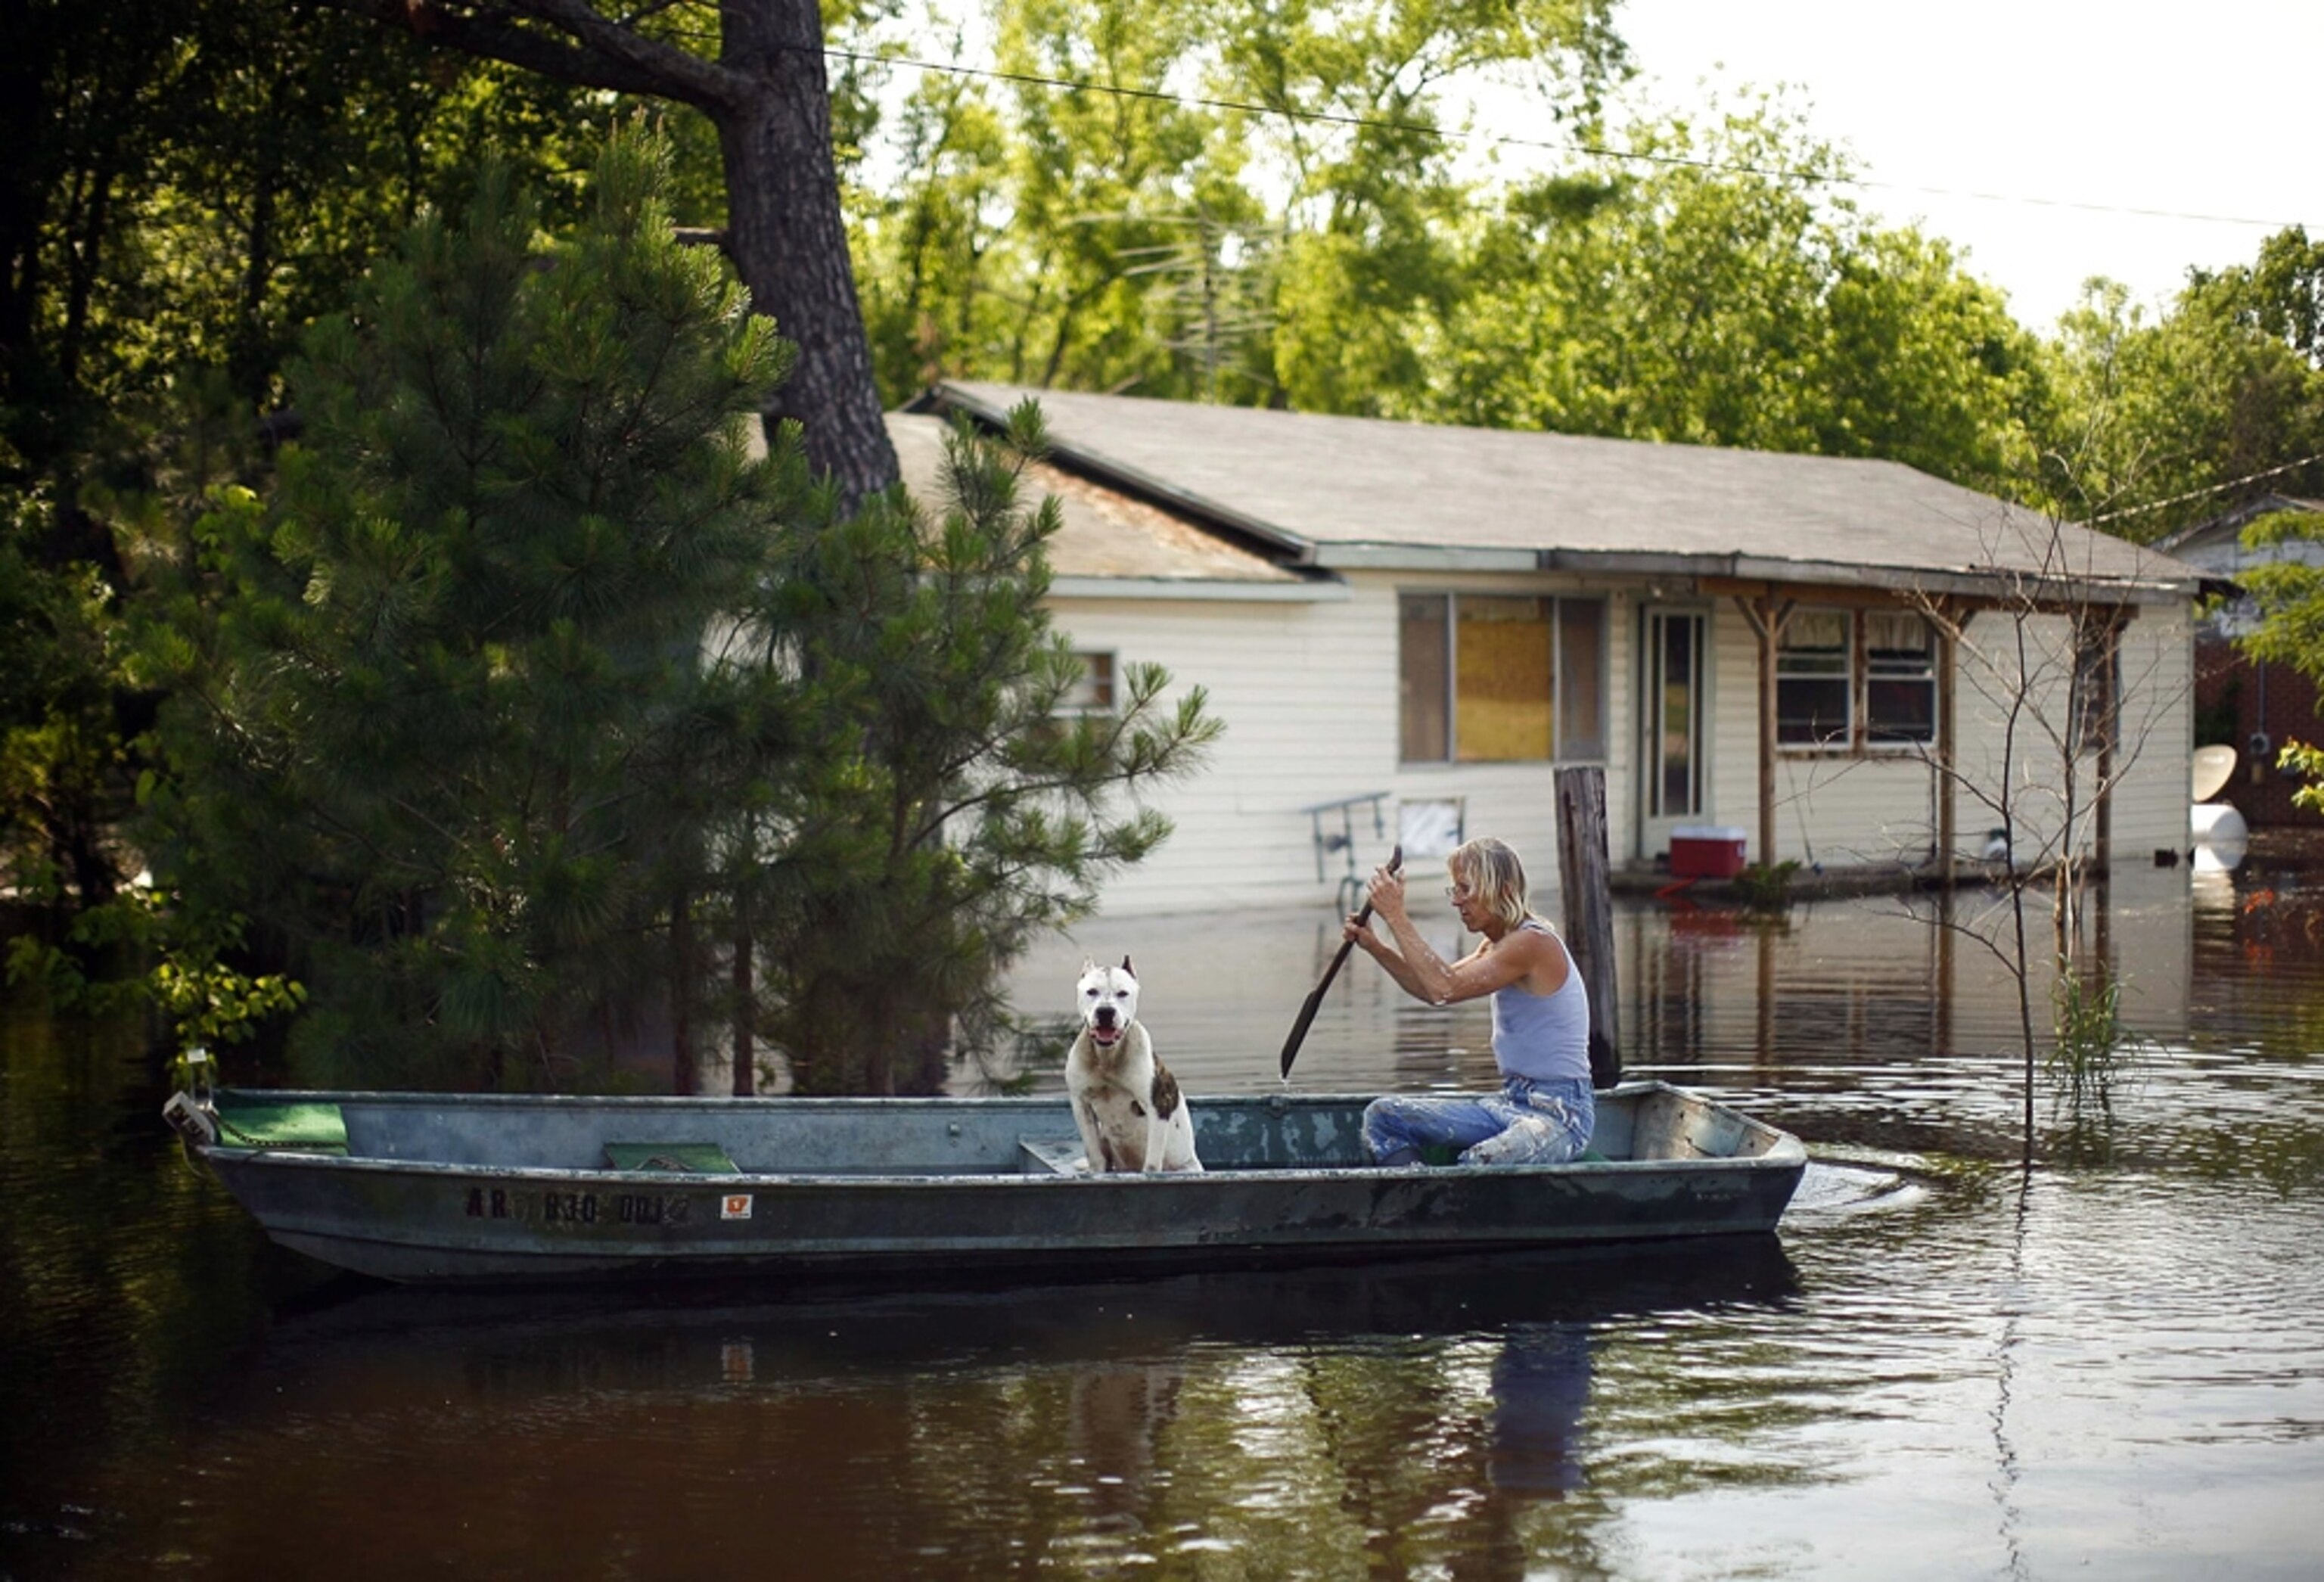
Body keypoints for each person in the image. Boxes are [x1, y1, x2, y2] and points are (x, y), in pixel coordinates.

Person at [1346, 836, 1595, 1167]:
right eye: (1454, 890)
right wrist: (1376, 947)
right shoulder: (1496, 945)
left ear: (1503, 890)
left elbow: (1443, 988)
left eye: (1465, 889)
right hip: (1511, 1101)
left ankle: (1440, 1210)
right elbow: (1432, 990)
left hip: (1561, 1115)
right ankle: (1416, 1203)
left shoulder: (1533, 943)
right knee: (1383, 1118)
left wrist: (1395, 916)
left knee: (1479, 1163)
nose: (1457, 901)